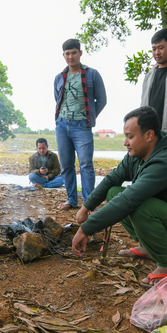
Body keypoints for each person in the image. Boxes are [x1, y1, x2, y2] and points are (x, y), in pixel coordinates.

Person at [71, 107, 167, 287]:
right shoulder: (137, 156)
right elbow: (112, 179)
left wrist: (87, 228)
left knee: (138, 204)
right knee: (114, 191)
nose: (125, 142)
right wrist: (86, 207)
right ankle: (149, 247)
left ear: (149, 135)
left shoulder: (164, 163)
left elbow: (129, 199)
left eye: (130, 136)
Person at [54, 38, 107, 210]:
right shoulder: (59, 77)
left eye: (74, 53)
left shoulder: (92, 74)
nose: (71, 57)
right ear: (63, 55)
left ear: (80, 53)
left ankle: (89, 203)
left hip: (82, 127)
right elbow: (58, 100)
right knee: (66, 165)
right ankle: (71, 199)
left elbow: (102, 100)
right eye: (67, 54)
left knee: (85, 165)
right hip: (62, 126)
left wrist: (88, 117)